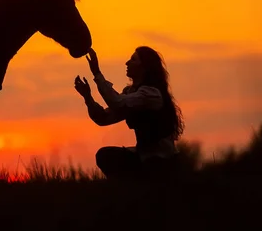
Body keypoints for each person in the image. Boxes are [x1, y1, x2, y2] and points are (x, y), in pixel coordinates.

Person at [74, 46, 184, 179]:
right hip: (143, 157)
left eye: (133, 60)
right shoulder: (132, 93)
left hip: (162, 161)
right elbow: (103, 118)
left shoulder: (151, 95)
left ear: (144, 67)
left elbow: (117, 102)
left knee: (150, 167)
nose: (127, 63)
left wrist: (97, 73)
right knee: (104, 156)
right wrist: (88, 97)